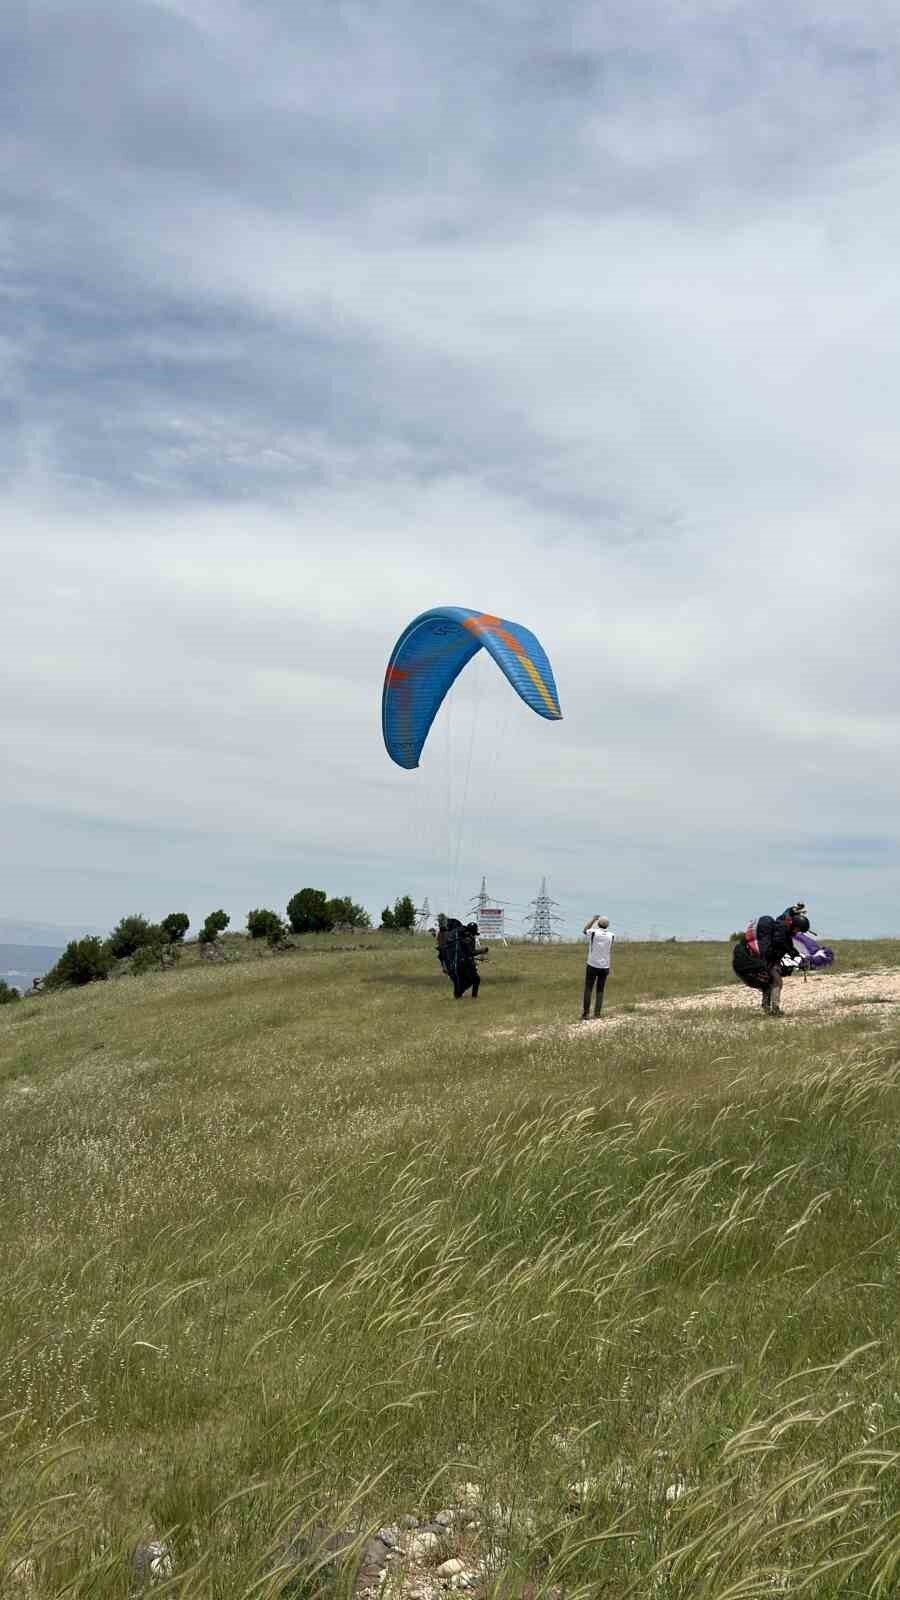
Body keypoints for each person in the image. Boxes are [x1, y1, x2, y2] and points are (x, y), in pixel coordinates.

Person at [732, 908, 810, 1015]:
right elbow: (771, 954)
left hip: (744, 961)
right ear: (794, 926)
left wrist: (792, 909)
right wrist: (791, 962)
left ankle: (768, 1009)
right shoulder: (781, 938)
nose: (797, 932)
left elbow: (784, 916)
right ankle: (774, 1010)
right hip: (750, 964)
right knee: (774, 981)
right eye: (798, 930)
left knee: (771, 982)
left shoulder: (780, 925)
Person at [581, 914, 613, 1020]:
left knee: (588, 988)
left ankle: (586, 1014)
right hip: (605, 966)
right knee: (600, 990)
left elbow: (584, 930)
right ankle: (597, 1013)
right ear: (607, 925)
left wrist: (593, 920)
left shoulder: (593, 932)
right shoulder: (612, 935)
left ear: (598, 924)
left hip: (592, 964)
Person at [443, 918, 481, 999]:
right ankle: (464, 994)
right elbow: (471, 952)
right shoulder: (468, 939)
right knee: (475, 979)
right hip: (463, 963)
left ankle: (461, 993)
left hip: (457, 963)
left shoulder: (460, 938)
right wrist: (482, 951)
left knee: (468, 980)